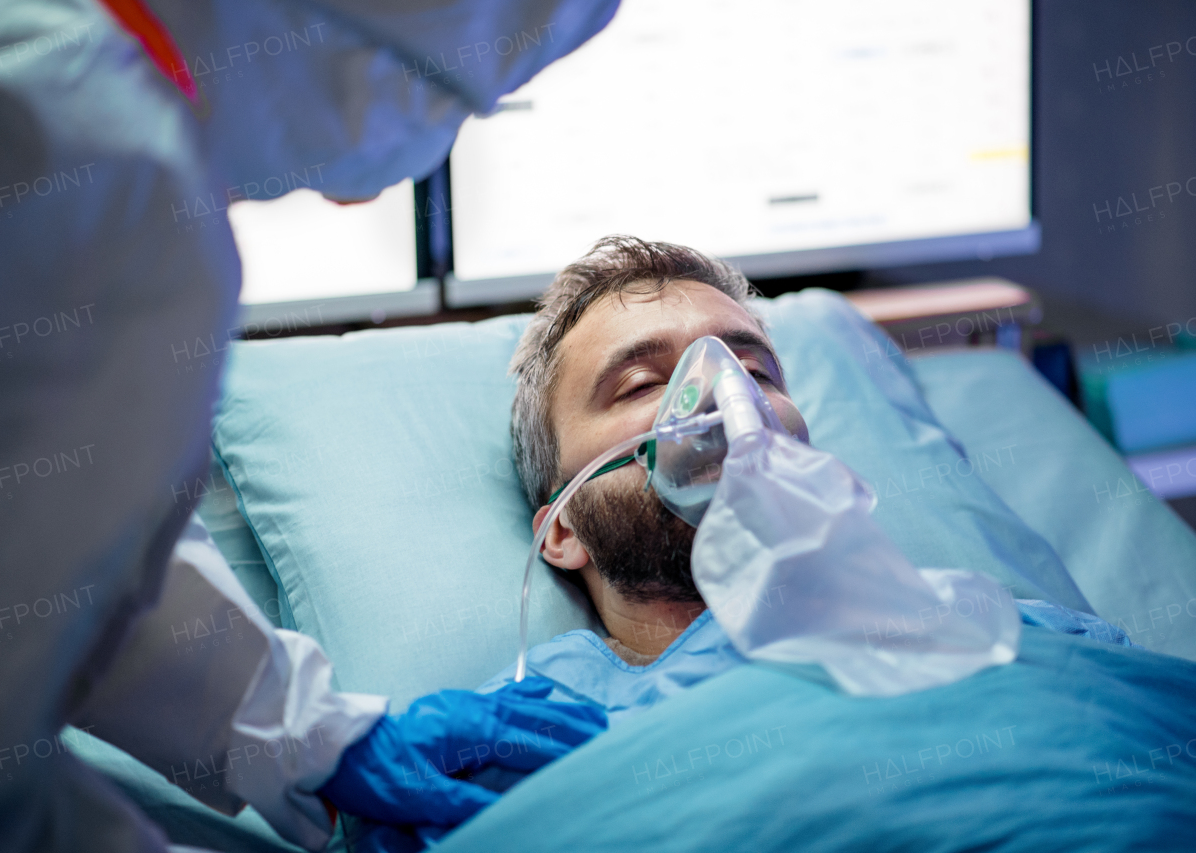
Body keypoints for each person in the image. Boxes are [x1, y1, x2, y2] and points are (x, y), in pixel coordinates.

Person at [0, 0, 618, 850]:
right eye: (446, 102)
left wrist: (309, 734)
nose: (362, 192)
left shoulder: (57, 91)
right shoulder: (112, 190)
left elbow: (60, 540)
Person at [478, 235, 1131, 723]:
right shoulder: (538, 728)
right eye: (642, 383)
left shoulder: (1021, 637)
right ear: (562, 529)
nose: (723, 395)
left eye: (756, 373)